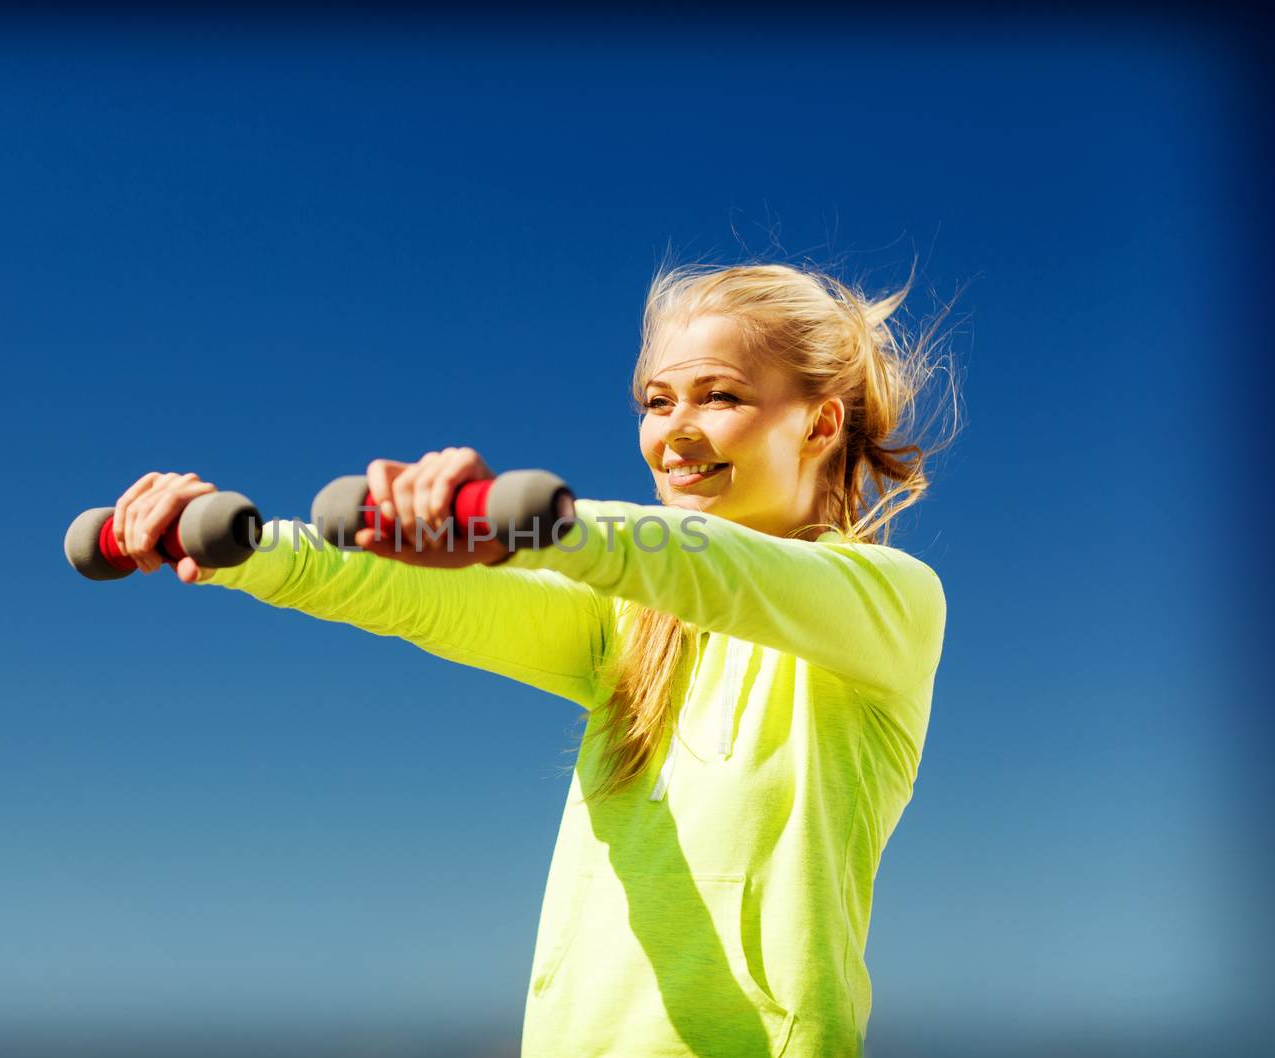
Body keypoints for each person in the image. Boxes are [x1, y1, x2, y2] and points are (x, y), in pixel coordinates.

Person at [109, 260, 958, 1057]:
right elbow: (418, 596)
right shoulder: (629, 629)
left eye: (720, 396)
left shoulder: (887, 607)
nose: (676, 433)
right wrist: (245, 546)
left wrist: (524, 525)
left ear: (818, 422)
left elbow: (695, 561)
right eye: (656, 403)